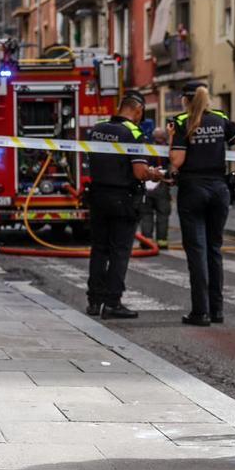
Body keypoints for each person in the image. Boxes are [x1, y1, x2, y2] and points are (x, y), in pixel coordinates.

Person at [168, 83, 235, 326]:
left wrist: (171, 140)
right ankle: (217, 310)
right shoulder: (222, 120)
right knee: (214, 249)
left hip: (193, 190)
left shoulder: (181, 122)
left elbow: (177, 160)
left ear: (186, 100)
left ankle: (201, 312)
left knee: (197, 251)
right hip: (219, 189)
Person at [86, 92, 164, 319]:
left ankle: (94, 301)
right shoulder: (134, 133)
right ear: (138, 110)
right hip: (123, 198)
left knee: (99, 250)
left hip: (98, 195)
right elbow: (139, 172)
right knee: (119, 252)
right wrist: (156, 174)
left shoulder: (98, 129)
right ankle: (112, 303)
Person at [139, 126, 172, 250]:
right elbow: (173, 165)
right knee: (162, 215)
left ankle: (146, 241)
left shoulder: (147, 148)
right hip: (162, 184)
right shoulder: (168, 149)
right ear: (164, 138)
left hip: (147, 184)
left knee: (146, 214)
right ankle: (162, 242)